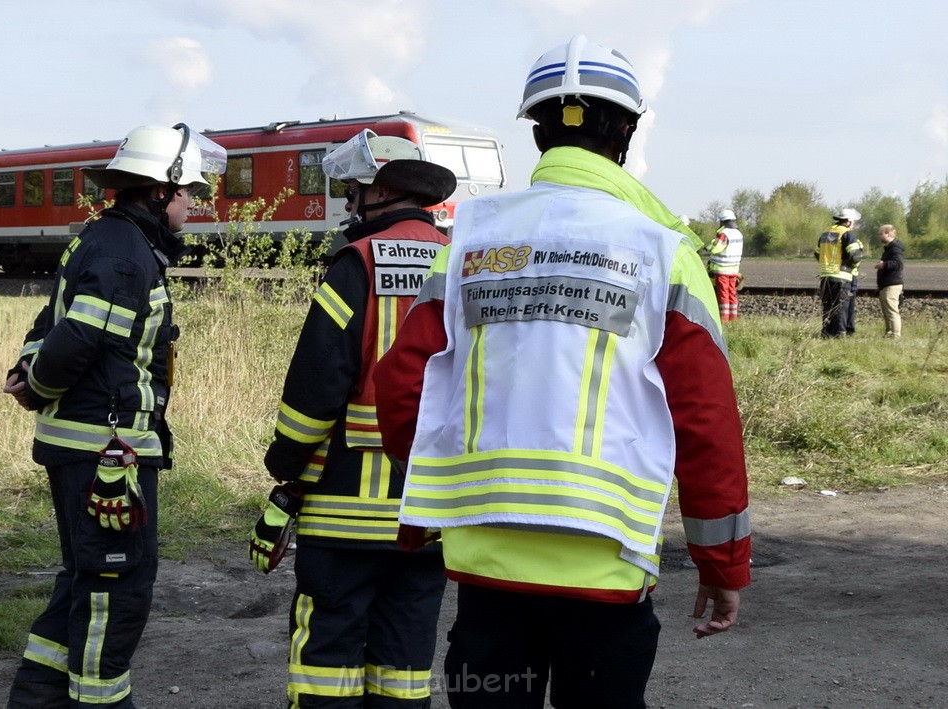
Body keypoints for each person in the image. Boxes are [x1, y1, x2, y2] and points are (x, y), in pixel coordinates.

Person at [374, 35, 751, 708]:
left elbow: (404, 384)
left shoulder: (468, 239)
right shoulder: (663, 252)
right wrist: (721, 564)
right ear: (628, 131)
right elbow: (706, 425)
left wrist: (433, 503)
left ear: (539, 130)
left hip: (486, 574)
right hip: (606, 573)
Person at [3, 123, 226, 708]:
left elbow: (47, 325)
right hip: (106, 452)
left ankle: (36, 699)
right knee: (115, 589)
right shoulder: (126, 252)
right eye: (187, 195)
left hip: (85, 444)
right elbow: (78, 334)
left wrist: (29, 373)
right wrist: (37, 384)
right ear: (159, 191)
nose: (192, 206)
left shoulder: (104, 239)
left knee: (84, 578)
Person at [250, 129, 457, 707]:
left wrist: (286, 468)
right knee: (406, 659)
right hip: (430, 511)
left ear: (382, 192)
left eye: (354, 192)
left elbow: (317, 383)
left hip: (343, 510)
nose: (348, 205)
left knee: (327, 657)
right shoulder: (464, 263)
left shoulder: (357, 262)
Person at [814, 207, 864, 338]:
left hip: (825, 276)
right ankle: (840, 334)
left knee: (827, 306)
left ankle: (826, 333)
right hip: (842, 277)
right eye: (853, 222)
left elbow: (817, 253)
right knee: (841, 306)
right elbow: (855, 257)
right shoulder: (847, 234)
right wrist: (854, 267)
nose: (854, 225)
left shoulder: (825, 234)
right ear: (847, 222)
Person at [706, 208, 744, 321]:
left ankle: (724, 319)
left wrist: (711, 245)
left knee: (723, 294)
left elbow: (716, 249)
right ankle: (733, 317)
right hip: (734, 269)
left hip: (722, 269)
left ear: (722, 221)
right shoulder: (738, 233)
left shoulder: (723, 234)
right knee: (732, 293)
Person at [875, 224, 905, 338]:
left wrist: (884, 265)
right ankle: (889, 332)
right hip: (886, 284)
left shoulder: (895, 248)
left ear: (888, 233)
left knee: (892, 310)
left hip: (892, 284)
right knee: (887, 310)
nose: (879, 236)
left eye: (880, 233)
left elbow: (898, 264)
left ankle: (895, 334)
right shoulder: (889, 248)